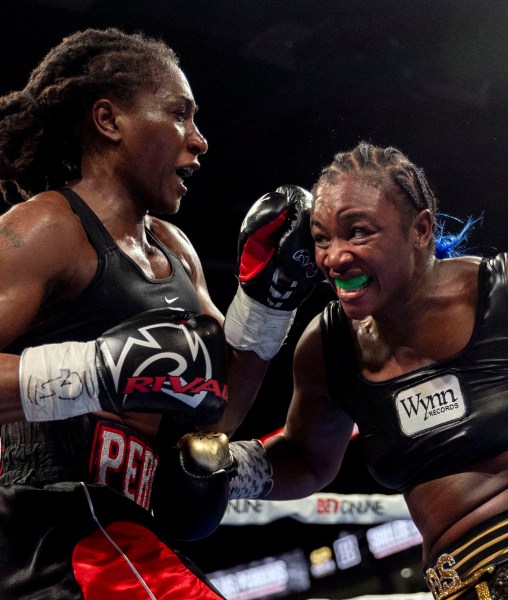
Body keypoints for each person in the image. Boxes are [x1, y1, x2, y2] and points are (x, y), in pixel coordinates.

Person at [189, 141, 508, 599]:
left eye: (358, 232)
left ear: (420, 229)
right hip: (455, 587)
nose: (334, 257)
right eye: (321, 238)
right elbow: (306, 458)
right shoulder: (327, 348)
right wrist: (226, 469)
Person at [0, 27, 318, 599]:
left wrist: (267, 303)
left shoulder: (176, 251)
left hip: (129, 530)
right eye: (179, 114)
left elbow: (216, 413)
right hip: (43, 532)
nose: (199, 140)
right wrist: (102, 370)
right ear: (109, 120)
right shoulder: (44, 228)